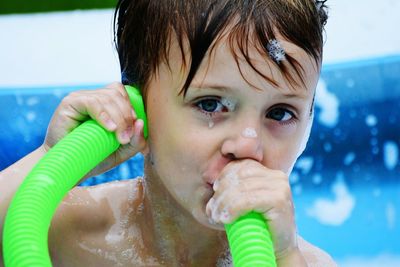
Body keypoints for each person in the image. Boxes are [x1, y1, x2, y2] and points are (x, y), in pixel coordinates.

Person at [0, 0, 337, 266]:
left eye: (280, 113)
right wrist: (52, 160)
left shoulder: (302, 262)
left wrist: (285, 257)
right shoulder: (70, 234)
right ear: (140, 108)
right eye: (210, 104)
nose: (248, 144)